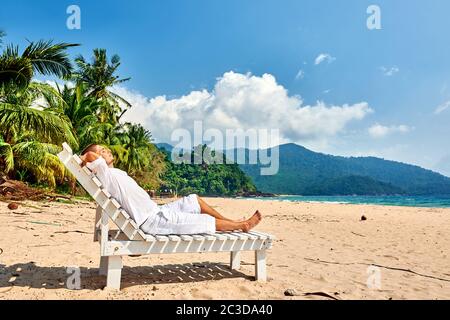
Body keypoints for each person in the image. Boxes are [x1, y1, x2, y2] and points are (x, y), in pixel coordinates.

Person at [79, 144, 262, 235]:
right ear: (96, 162)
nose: (107, 150)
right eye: (102, 150)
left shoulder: (113, 172)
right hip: (152, 221)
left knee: (193, 199)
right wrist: (85, 154)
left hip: (158, 211)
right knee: (204, 220)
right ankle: (242, 226)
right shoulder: (104, 174)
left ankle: (230, 221)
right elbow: (89, 155)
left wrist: (92, 155)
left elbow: (94, 157)